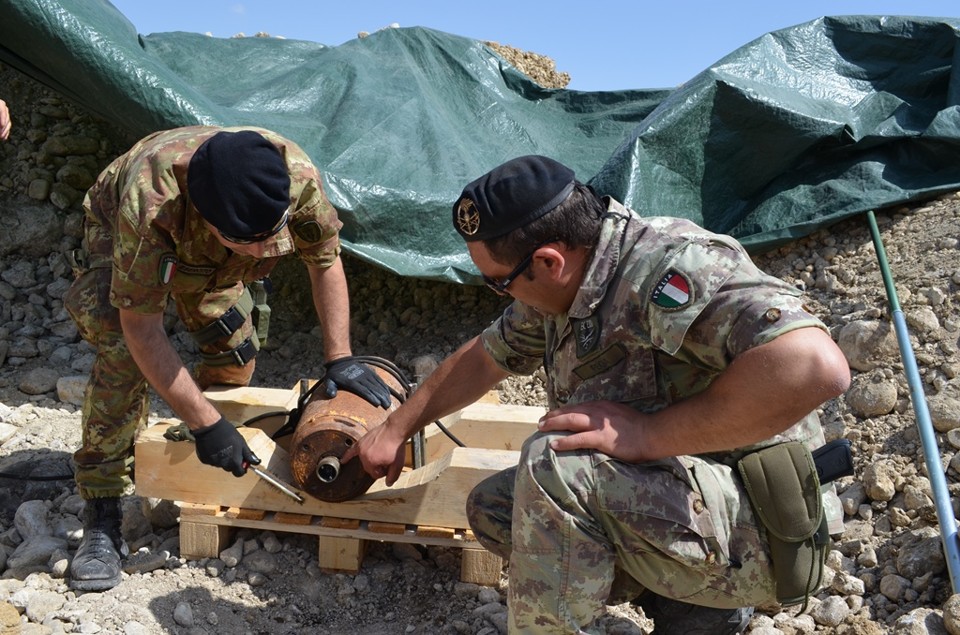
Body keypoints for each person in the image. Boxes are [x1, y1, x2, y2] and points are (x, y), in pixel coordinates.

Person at [343, 155, 851, 633]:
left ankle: (714, 599)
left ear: (548, 261)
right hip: (695, 502)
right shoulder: (566, 282)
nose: (501, 294)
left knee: (556, 464)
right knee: (498, 508)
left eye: (500, 283)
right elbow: (486, 357)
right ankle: (693, 612)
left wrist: (649, 434)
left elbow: (814, 367)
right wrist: (396, 426)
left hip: (768, 528)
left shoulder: (670, 268)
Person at [63, 126, 391, 592]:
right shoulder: (152, 202)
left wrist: (339, 357)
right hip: (123, 230)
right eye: (248, 241)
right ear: (208, 221)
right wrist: (206, 423)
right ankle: (102, 508)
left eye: (270, 235)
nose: (263, 252)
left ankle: (202, 451)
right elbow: (141, 328)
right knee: (122, 355)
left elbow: (325, 261)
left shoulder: (294, 178)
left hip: (210, 256)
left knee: (235, 344)